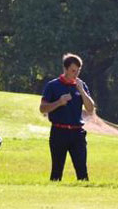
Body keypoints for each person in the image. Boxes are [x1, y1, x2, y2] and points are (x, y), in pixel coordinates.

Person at [39, 53, 96, 181]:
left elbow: (90, 109)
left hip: (77, 133)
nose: (76, 74)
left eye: (78, 71)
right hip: (59, 132)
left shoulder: (81, 85)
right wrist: (59, 102)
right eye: (73, 71)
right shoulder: (53, 86)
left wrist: (81, 91)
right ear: (65, 69)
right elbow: (42, 108)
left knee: (82, 172)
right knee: (56, 172)